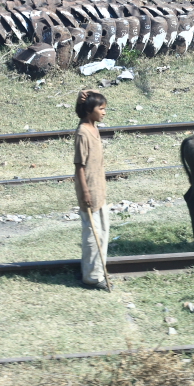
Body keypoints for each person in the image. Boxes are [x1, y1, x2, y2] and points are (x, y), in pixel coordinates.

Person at [74, 90, 109, 289]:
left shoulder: (93, 127)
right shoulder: (83, 133)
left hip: (99, 188)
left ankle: (98, 271)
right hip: (89, 190)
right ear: (90, 111)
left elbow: (85, 96)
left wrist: (85, 93)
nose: (104, 112)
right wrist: (85, 192)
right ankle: (92, 277)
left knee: (102, 232)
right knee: (92, 236)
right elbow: (79, 166)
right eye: (101, 109)